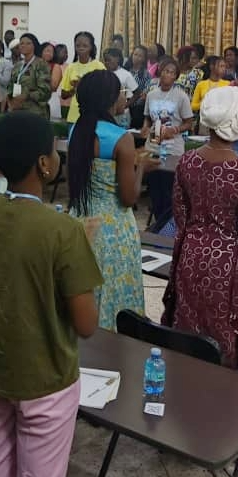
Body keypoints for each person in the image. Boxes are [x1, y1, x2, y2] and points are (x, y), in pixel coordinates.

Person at [0, 111, 101, 477]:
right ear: (43, 163)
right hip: (45, 380)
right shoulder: (62, 230)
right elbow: (87, 324)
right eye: (53, 153)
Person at [161, 86, 238, 477]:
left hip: (190, 258)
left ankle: (185, 429)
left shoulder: (188, 162)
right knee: (231, 349)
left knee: (191, 342)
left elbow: (180, 215)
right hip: (229, 268)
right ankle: (227, 438)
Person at [69, 70, 154, 329]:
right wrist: (141, 168)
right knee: (113, 293)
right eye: (120, 93)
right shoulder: (121, 138)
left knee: (83, 290)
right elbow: (128, 198)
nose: (123, 98)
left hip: (81, 221)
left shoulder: (76, 131)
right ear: (108, 99)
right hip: (113, 230)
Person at [142, 56, 195, 223]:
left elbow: (189, 122)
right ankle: (159, 222)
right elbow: (147, 117)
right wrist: (145, 127)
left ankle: (168, 224)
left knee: (169, 188)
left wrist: (175, 129)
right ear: (160, 72)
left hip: (173, 147)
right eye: (166, 71)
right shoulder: (152, 95)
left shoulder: (181, 96)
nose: (168, 75)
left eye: (172, 73)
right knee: (155, 186)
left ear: (176, 77)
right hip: (153, 144)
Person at [60, 31, 106, 123]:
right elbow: (64, 95)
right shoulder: (71, 67)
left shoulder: (99, 66)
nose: (81, 48)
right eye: (78, 45)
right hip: (74, 116)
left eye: (85, 46)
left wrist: (85, 85)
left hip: (93, 115)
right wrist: (74, 89)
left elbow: (105, 92)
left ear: (91, 47)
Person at [8, 32, 52, 119]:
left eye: (28, 43)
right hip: (17, 110)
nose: (24, 46)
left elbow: (45, 91)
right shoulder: (17, 65)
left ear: (34, 46)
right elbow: (10, 85)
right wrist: (10, 101)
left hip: (35, 112)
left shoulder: (41, 64)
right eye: (21, 43)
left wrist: (26, 95)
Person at [102, 47, 137, 128]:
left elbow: (137, 92)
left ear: (117, 59)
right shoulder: (103, 74)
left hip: (122, 115)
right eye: (105, 60)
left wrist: (125, 105)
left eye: (109, 60)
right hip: (107, 114)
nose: (107, 63)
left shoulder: (126, 74)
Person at [126, 44, 152, 129]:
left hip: (137, 106)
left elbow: (145, 91)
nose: (136, 57)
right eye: (135, 54)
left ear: (144, 59)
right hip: (123, 104)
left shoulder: (146, 74)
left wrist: (133, 102)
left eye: (140, 56)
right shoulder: (126, 70)